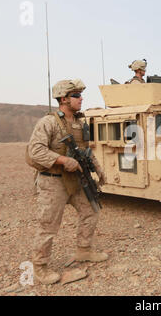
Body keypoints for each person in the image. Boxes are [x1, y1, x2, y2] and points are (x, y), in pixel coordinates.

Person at [27, 79, 108, 285]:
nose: (81, 99)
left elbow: (85, 150)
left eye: (80, 95)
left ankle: (83, 250)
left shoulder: (79, 124)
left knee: (91, 210)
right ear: (64, 99)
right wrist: (62, 160)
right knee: (48, 225)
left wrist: (98, 168)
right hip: (53, 181)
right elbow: (35, 151)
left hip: (76, 180)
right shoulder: (49, 122)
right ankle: (40, 267)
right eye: (76, 95)